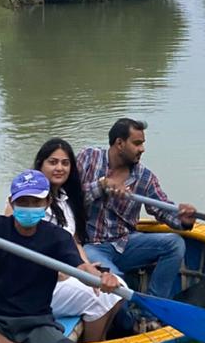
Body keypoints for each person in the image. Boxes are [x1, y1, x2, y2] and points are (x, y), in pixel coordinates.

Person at [0, 169, 120, 343]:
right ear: (12, 202)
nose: (29, 207)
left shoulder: (57, 237)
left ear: (47, 202)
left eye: (36, 202)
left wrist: (102, 278)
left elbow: (81, 268)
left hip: (36, 323)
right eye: (23, 202)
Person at [77, 118, 196, 305]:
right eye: (137, 143)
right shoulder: (88, 158)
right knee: (115, 282)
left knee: (175, 244)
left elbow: (163, 209)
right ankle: (126, 317)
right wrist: (102, 185)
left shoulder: (144, 177)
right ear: (119, 143)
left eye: (142, 143)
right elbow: (69, 198)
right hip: (90, 246)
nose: (142, 149)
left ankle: (154, 307)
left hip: (126, 243)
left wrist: (184, 220)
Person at [28, 137, 126, 342]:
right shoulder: (29, 200)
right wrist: (68, 273)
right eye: (53, 162)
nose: (59, 168)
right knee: (99, 299)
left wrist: (86, 266)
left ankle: (101, 341)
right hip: (41, 284)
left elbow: (75, 241)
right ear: (41, 165)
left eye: (65, 163)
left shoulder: (65, 199)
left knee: (119, 288)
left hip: (68, 274)